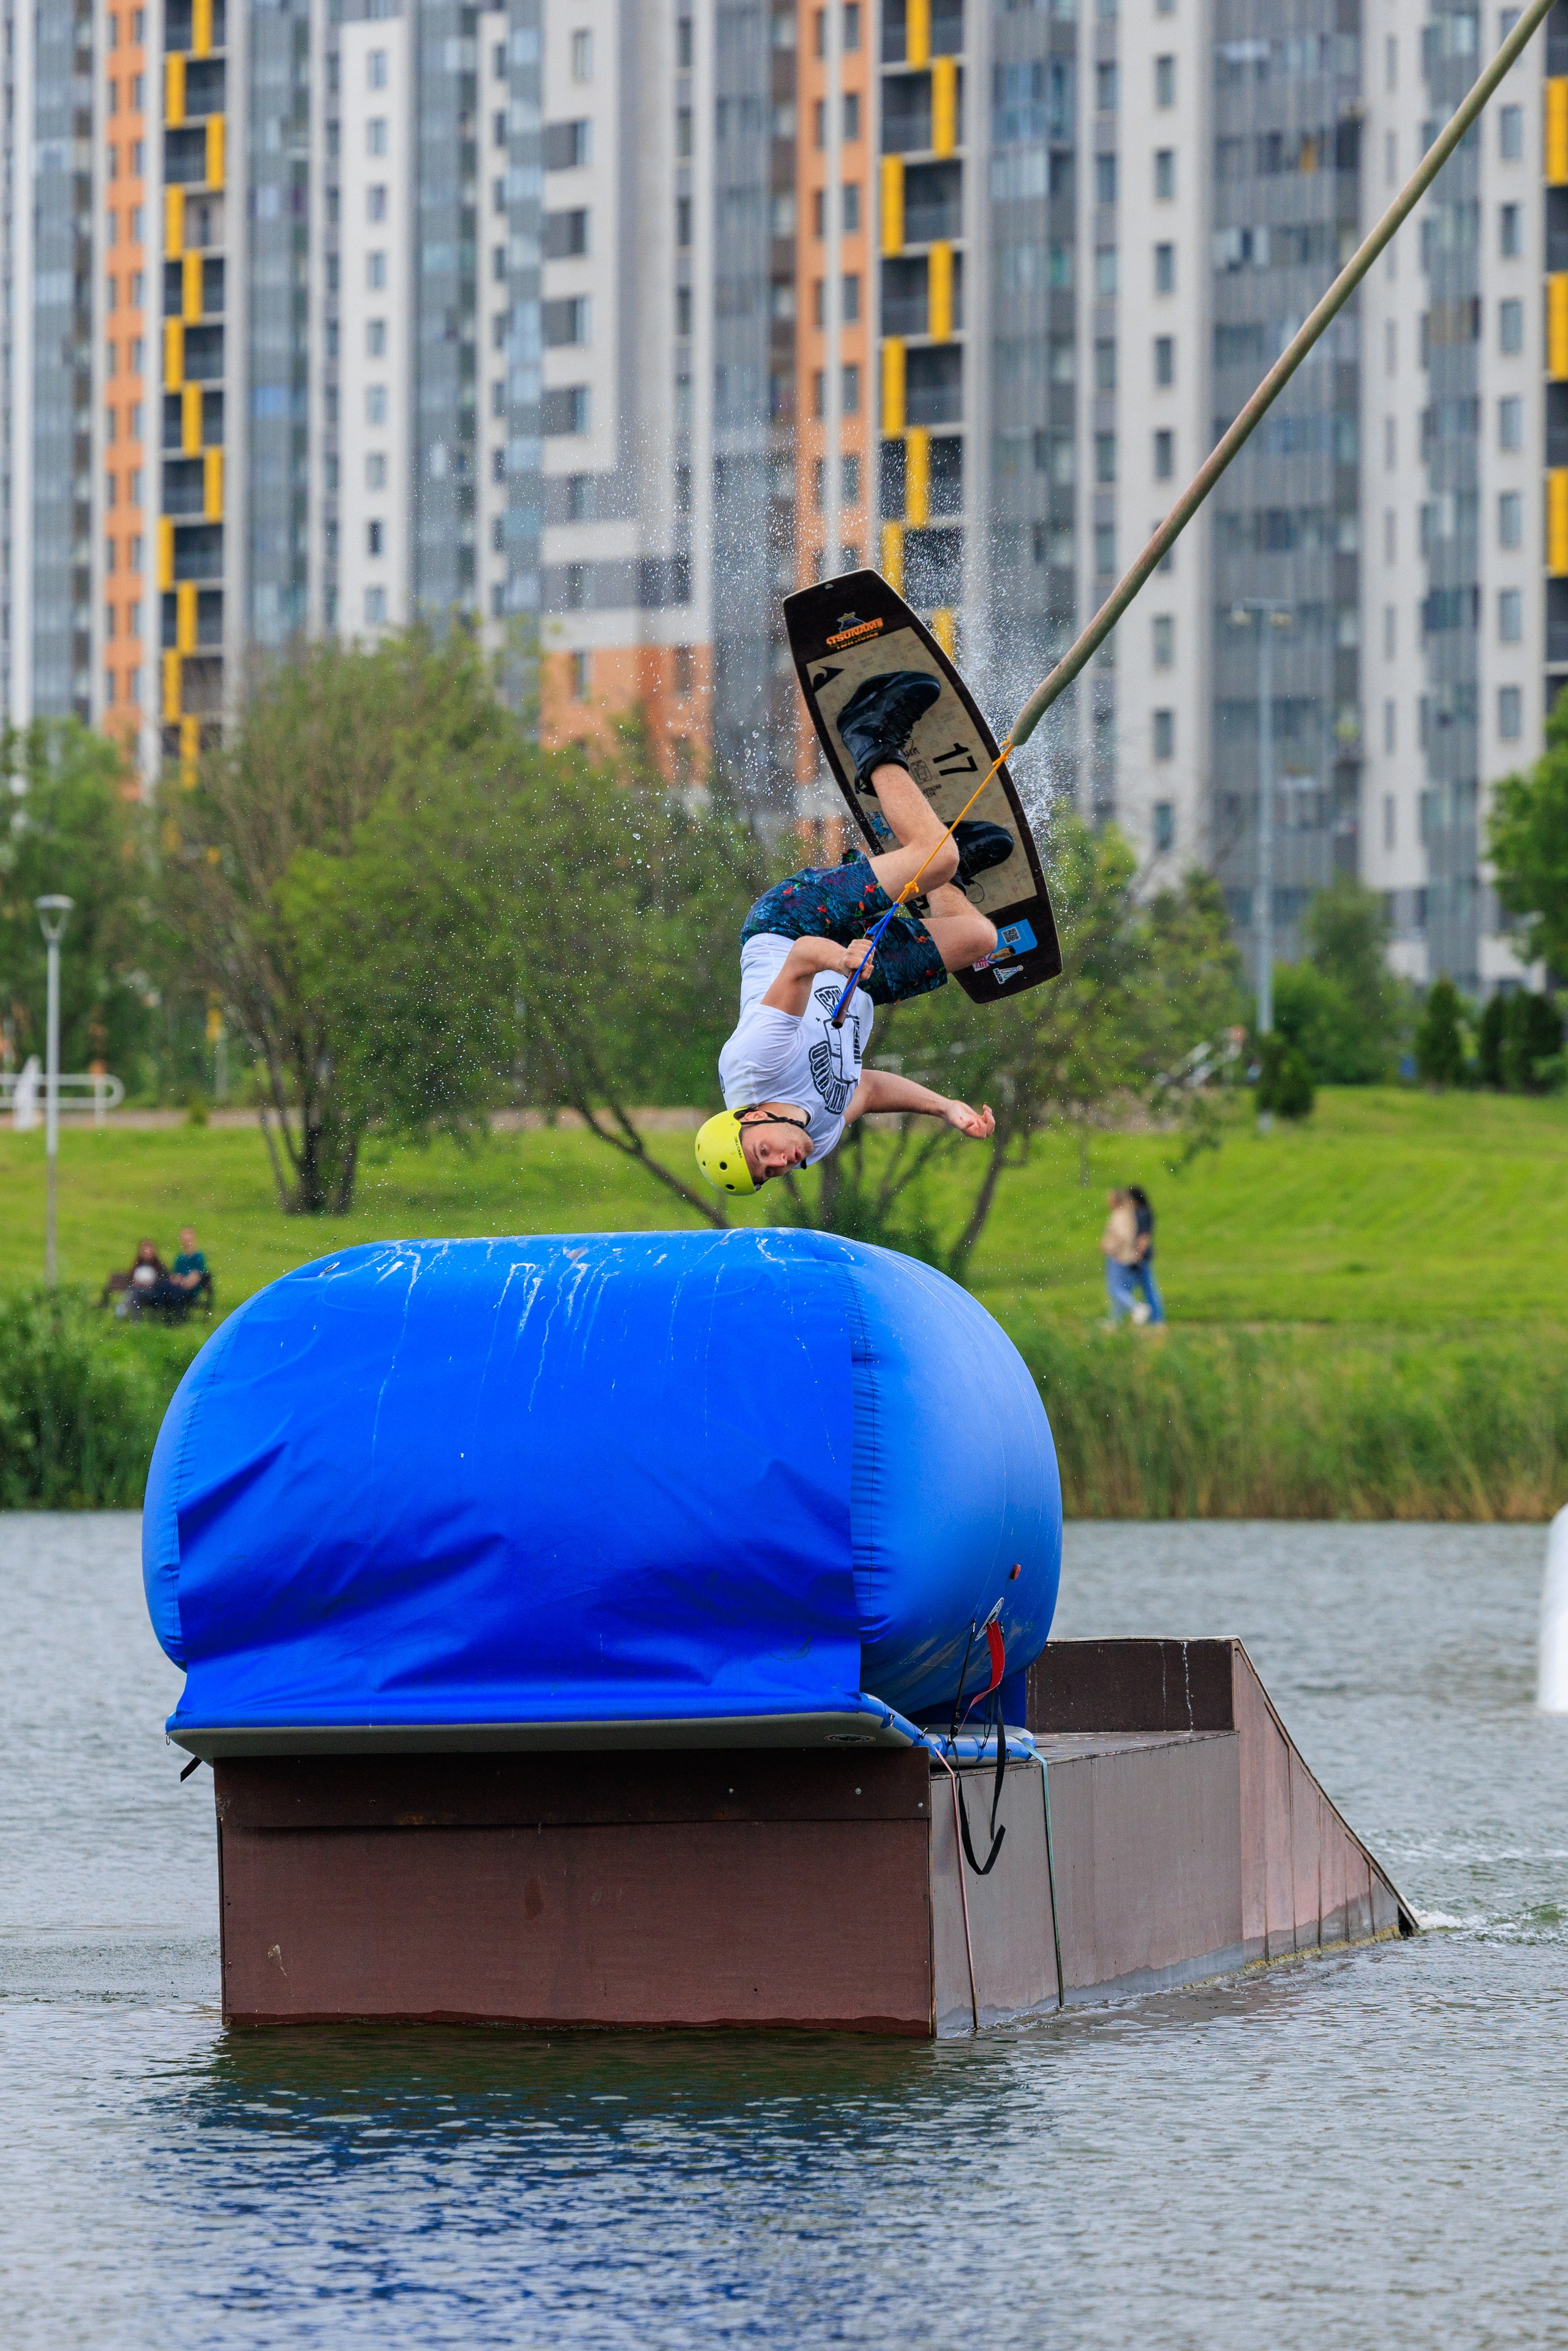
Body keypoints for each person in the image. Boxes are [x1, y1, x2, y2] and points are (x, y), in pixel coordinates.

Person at [695, 671, 1006, 1195]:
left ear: (747, 1120)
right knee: (979, 938)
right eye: (770, 1173)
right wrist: (944, 1107)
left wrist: (840, 961)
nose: (781, 1161)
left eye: (762, 1153)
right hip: (857, 978)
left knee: (936, 856)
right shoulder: (817, 1137)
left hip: (795, 925)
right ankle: (933, 860)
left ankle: (869, 734)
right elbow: (867, 1088)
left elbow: (799, 959)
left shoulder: (754, 1064)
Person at [1099, 1189, 1140, 1327]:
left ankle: (1136, 1308)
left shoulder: (1119, 1215)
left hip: (1118, 1256)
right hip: (1125, 1256)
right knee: (1121, 1288)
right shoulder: (1127, 1214)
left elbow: (1122, 1236)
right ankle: (1116, 1320)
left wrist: (1110, 1247)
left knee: (1115, 1289)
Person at [1126, 1184, 1166, 1327]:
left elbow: (1144, 1236)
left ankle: (1156, 1319)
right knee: (1145, 1287)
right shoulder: (1146, 1211)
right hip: (1142, 1254)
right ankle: (1155, 1318)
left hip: (1139, 1255)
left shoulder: (1141, 1213)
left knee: (1144, 1287)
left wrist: (1138, 1254)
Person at [170, 1226, 210, 1304]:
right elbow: (175, 1276)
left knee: (175, 1294)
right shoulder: (180, 1257)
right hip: (177, 1288)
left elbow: (195, 1277)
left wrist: (182, 1282)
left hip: (189, 1290)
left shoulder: (198, 1257)